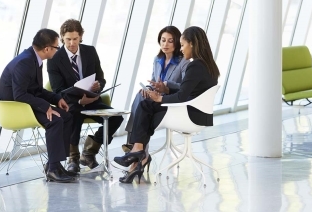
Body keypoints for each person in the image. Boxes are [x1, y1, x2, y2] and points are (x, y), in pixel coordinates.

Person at [114, 26, 220, 184]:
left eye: (183, 45)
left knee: (146, 106)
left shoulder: (194, 65)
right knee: (146, 104)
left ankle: (138, 151)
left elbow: (183, 95)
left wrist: (160, 99)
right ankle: (138, 153)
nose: (182, 49)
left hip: (189, 114)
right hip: (198, 112)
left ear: (192, 44)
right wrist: (165, 90)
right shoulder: (208, 65)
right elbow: (189, 89)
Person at [0, 28, 75, 183]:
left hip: (26, 103)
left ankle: (55, 164)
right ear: (47, 49)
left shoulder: (35, 59)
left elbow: (36, 89)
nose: (58, 50)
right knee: (55, 120)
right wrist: (46, 106)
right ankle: (53, 169)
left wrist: (56, 98)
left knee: (67, 117)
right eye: (57, 47)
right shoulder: (25, 62)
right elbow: (19, 95)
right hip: (16, 108)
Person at [47, 19, 123, 173]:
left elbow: (101, 77)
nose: (72, 43)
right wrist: (80, 100)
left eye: (75, 39)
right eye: (68, 39)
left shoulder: (90, 51)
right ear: (62, 38)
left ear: (81, 37)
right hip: (70, 103)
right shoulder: (54, 58)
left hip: (92, 100)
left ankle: (89, 152)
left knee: (116, 118)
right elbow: (58, 90)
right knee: (74, 113)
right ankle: (73, 158)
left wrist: (98, 86)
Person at [122, 26, 189, 154]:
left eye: (170, 41)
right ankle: (138, 147)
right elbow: (153, 81)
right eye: (163, 40)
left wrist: (167, 85)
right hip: (156, 99)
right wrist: (148, 88)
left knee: (143, 102)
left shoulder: (183, 62)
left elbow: (186, 87)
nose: (165, 44)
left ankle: (134, 144)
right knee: (141, 95)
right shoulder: (157, 60)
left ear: (177, 42)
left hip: (171, 100)